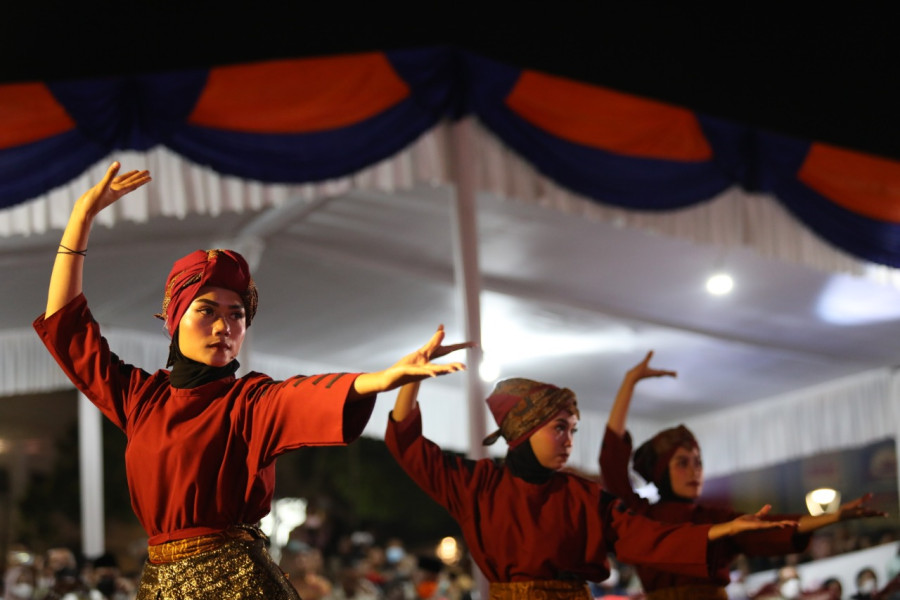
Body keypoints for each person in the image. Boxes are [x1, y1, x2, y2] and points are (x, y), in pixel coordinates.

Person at [33, 161, 468, 600]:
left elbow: (305, 397)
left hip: (236, 587)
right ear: (174, 320)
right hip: (159, 586)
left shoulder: (250, 401)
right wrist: (80, 222)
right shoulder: (141, 398)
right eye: (207, 311)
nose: (224, 326)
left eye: (236, 314)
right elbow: (68, 331)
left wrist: (380, 379)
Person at [386, 342, 799, 600]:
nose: (569, 439)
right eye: (560, 428)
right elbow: (409, 447)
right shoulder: (478, 486)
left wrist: (724, 530)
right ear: (524, 432)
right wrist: (411, 378)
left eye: (573, 430)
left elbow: (649, 539)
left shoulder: (585, 497)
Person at [600, 351, 888, 600]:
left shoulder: (714, 517)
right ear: (660, 471)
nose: (694, 471)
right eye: (682, 463)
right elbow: (612, 463)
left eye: (698, 462)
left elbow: (772, 527)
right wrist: (629, 382)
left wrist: (834, 516)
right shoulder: (643, 516)